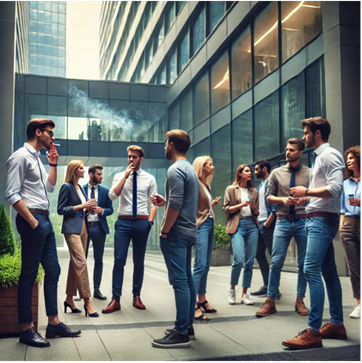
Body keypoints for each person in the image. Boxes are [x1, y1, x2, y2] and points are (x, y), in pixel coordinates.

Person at [5, 118, 80, 348]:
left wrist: (54, 165)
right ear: (38, 132)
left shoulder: (37, 158)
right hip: (33, 220)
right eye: (50, 133)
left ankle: (54, 323)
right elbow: (11, 194)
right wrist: (32, 221)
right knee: (28, 275)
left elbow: (48, 188)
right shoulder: (20, 156)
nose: (53, 138)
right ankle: (26, 329)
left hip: (44, 219)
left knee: (53, 269)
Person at [283, 117, 346, 350]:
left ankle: (312, 331)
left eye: (306, 132)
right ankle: (337, 324)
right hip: (318, 218)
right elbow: (327, 191)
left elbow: (336, 188)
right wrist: (306, 197)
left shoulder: (329, 155)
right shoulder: (322, 156)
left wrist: (306, 190)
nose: (303, 136)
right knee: (329, 273)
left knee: (310, 270)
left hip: (320, 221)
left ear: (317, 133)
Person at [151, 130, 199, 349]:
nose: (164, 147)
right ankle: (187, 326)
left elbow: (177, 204)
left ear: (171, 145)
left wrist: (164, 229)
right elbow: (180, 200)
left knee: (179, 281)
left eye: (165, 143)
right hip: (189, 232)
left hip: (177, 233)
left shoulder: (175, 169)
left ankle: (180, 333)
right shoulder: (189, 169)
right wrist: (166, 200)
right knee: (187, 279)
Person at [256, 139, 310, 318]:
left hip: (303, 220)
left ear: (300, 153)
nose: (288, 152)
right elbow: (268, 197)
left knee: (303, 264)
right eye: (287, 149)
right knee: (276, 262)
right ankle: (270, 300)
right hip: (282, 220)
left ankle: (300, 300)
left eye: (292, 150)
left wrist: (304, 199)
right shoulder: (277, 173)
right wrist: (283, 200)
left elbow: (314, 197)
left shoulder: (309, 173)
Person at [102, 146, 158, 314]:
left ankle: (136, 296)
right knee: (119, 261)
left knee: (139, 261)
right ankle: (115, 299)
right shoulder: (119, 176)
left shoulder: (149, 178)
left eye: (134, 157)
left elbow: (154, 202)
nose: (131, 159)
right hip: (123, 222)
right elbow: (112, 196)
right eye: (129, 156)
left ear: (141, 159)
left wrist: (150, 222)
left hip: (142, 222)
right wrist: (125, 177)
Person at [58, 160, 99, 318]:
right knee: (81, 262)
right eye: (81, 168)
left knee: (75, 263)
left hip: (84, 228)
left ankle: (69, 298)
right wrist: (81, 206)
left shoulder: (80, 187)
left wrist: (88, 207)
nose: (84, 170)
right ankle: (87, 301)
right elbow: (61, 209)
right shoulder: (66, 187)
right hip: (71, 230)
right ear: (74, 170)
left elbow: (81, 208)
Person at [224, 164, 260, 306]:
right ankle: (232, 289)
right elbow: (227, 209)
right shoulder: (231, 189)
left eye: (250, 171)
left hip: (252, 225)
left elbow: (257, 213)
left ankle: (245, 294)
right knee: (238, 260)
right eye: (246, 171)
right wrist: (241, 205)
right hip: (238, 225)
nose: (250, 173)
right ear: (239, 174)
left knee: (249, 262)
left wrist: (253, 207)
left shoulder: (254, 192)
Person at [192, 156, 222, 321]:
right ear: (201, 167)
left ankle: (201, 299)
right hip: (201, 225)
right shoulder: (195, 183)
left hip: (209, 223)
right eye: (209, 164)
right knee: (200, 265)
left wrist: (211, 207)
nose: (213, 167)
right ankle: (192, 304)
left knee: (206, 265)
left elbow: (202, 207)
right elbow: (190, 206)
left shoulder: (206, 185)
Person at [84, 164, 114, 301]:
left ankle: (96, 289)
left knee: (99, 260)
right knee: (80, 261)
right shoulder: (80, 189)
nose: (102, 176)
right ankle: (81, 291)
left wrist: (102, 210)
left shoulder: (105, 191)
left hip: (99, 228)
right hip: (84, 228)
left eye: (102, 174)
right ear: (91, 175)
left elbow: (110, 209)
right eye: (99, 174)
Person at [250, 159, 278, 299]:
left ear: (265, 169)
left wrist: (267, 223)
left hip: (267, 224)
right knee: (259, 253)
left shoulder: (270, 183)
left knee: (274, 257)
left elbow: (275, 208)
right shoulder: (262, 184)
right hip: (260, 223)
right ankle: (267, 285)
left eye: (257, 169)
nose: (255, 172)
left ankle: (274, 290)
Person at [340, 146, 361, 319]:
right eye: (347, 158)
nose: (348, 160)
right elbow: (342, 208)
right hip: (347, 224)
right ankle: (359, 304)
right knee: (354, 267)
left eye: (351, 157)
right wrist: (341, 227)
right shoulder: (345, 183)